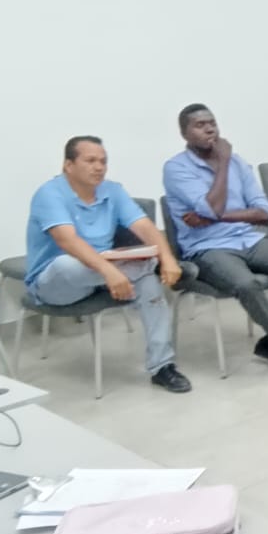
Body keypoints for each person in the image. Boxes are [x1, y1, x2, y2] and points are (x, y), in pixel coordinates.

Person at [162, 105, 268, 372]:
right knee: (246, 284)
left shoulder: (238, 162)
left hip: (248, 240)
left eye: (212, 122)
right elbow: (211, 207)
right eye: (200, 125)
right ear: (184, 133)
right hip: (207, 249)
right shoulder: (176, 168)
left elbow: (264, 212)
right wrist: (223, 164)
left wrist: (217, 217)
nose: (209, 129)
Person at [26, 137, 190, 393]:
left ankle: (162, 367)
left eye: (103, 161)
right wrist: (109, 271)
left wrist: (168, 259)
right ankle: (148, 265)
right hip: (59, 284)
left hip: (107, 275)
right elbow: (67, 241)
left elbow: (144, 227)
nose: (99, 167)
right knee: (67, 264)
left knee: (150, 285)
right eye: (90, 161)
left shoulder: (112, 190)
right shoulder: (49, 193)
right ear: (68, 165)